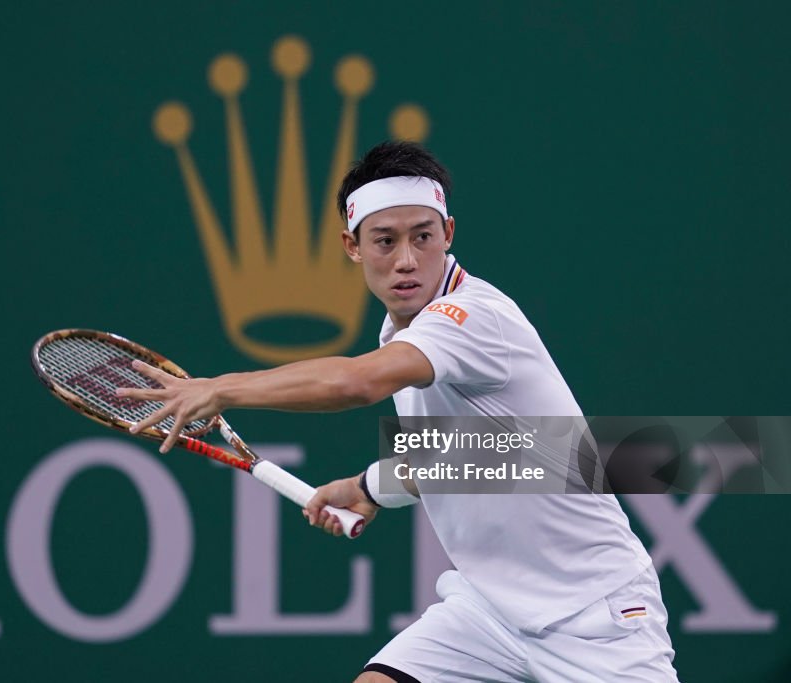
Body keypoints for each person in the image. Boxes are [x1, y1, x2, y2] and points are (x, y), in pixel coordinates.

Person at [118, 141, 678, 682]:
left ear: (448, 234)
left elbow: (356, 382)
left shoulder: (473, 318)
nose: (406, 260)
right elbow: (485, 455)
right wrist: (371, 485)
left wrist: (221, 388)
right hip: (488, 610)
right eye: (385, 241)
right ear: (352, 246)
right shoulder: (403, 332)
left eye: (423, 237)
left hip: (593, 614)